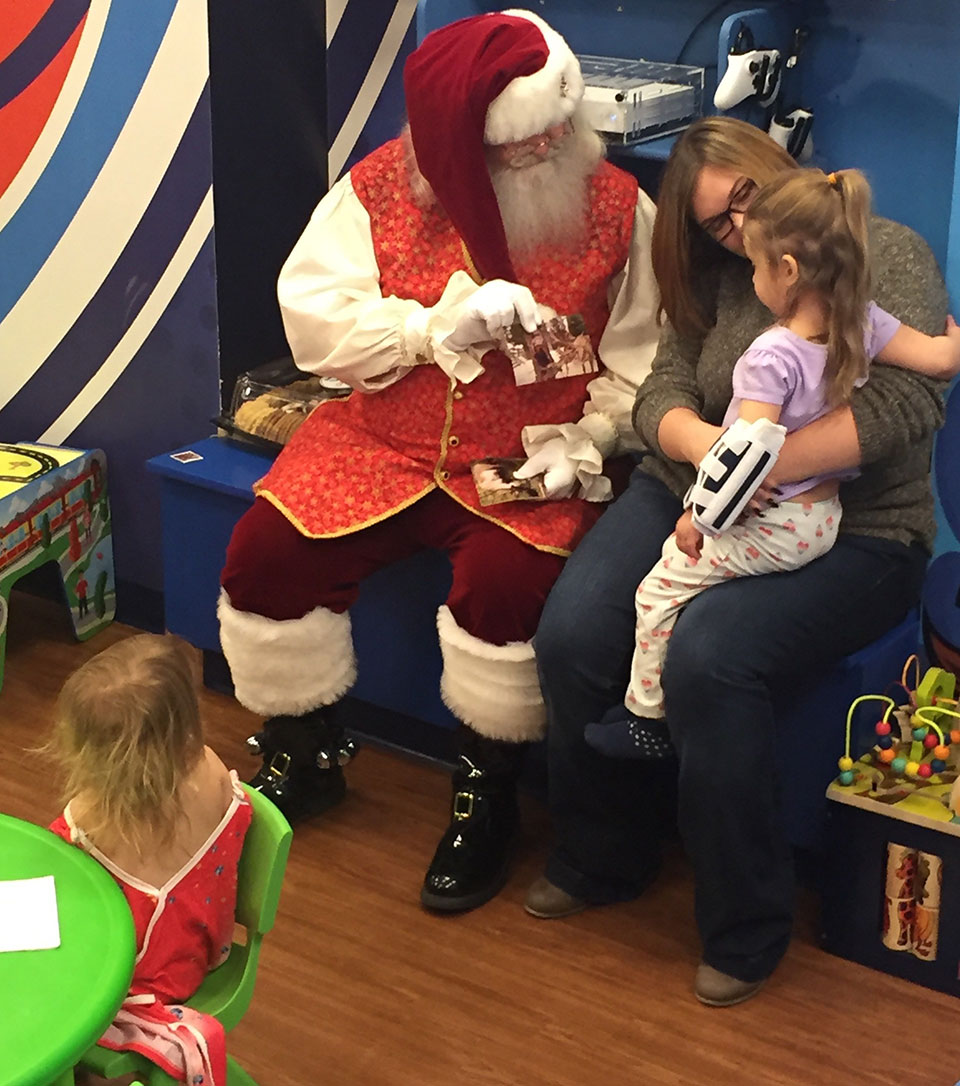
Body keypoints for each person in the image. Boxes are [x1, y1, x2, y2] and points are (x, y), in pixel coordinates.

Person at [216, 8, 660, 914]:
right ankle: (307, 753)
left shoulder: (622, 211)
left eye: (554, 134)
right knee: (264, 554)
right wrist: (424, 332)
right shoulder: (375, 192)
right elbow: (315, 326)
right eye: (520, 146)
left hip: (530, 454)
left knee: (505, 586)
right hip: (383, 441)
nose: (545, 155)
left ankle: (485, 793)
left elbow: (647, 354)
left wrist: (600, 433)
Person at [528, 116, 949, 1007]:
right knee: (572, 629)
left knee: (711, 656)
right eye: (718, 223)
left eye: (746, 197)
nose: (739, 227)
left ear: (775, 167)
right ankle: (606, 854)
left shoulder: (881, 250)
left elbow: (912, 400)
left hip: (857, 523)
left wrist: (756, 469)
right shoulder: (727, 282)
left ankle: (745, 924)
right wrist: (704, 444)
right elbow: (661, 393)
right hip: (696, 491)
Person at [585, 167, 960, 759]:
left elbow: (743, 455)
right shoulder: (861, 319)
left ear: (785, 272)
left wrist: (697, 520)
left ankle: (646, 720)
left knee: (657, 590)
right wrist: (950, 347)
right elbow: (938, 360)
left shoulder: (770, 356)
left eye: (756, 266)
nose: (750, 275)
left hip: (775, 524)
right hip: (822, 517)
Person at [47, 635, 252, 1085]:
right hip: (198, 951)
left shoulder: (91, 821)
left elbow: (63, 897)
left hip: (139, 984)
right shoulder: (213, 770)